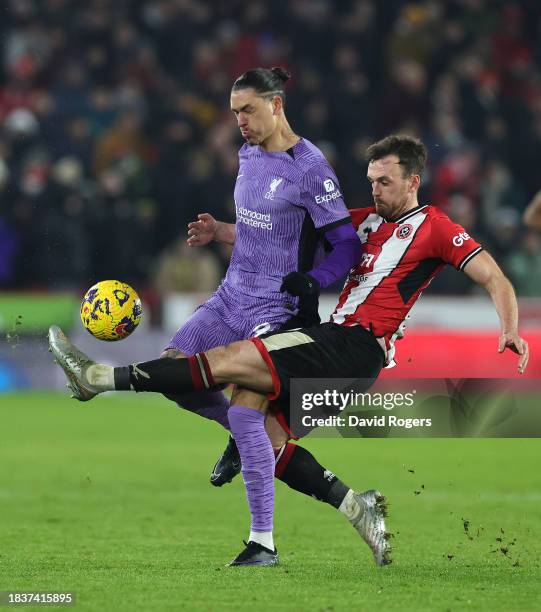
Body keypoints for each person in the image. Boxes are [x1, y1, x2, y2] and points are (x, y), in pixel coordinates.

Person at [49, 134, 529, 567]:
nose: (375, 190)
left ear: (413, 181)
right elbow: (278, 237)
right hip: (337, 345)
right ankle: (345, 512)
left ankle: (97, 379)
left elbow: (493, 276)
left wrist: (509, 327)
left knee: (234, 360)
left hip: (353, 346)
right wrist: (222, 231)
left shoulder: (436, 227)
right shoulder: (363, 223)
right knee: (260, 430)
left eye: (385, 182)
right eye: (371, 181)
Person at [165, 66, 361, 489]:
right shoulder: (247, 153)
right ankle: (241, 437)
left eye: (248, 111)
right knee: (173, 372)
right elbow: (262, 229)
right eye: (235, 113)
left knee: (244, 397)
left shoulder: (310, 168)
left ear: (276, 105)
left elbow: (346, 244)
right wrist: (220, 230)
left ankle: (264, 530)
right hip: (231, 293)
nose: (241, 122)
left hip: (275, 304)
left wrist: (314, 279)